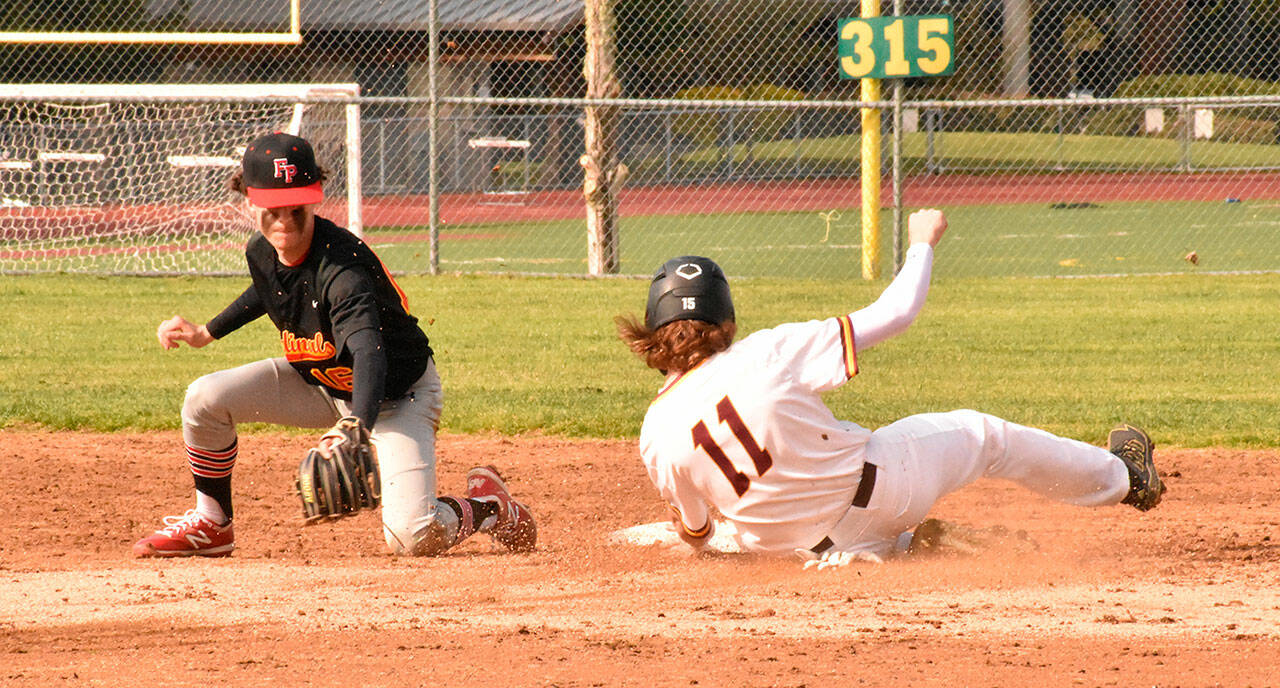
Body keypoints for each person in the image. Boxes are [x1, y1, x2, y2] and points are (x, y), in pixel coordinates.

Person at [616, 208, 1165, 565]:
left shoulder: (655, 434)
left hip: (792, 553)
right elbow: (898, 311)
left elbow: (696, 533)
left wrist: (702, 534)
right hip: (883, 490)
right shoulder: (766, 352)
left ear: (651, 330)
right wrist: (922, 242)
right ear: (726, 319)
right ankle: (1125, 478)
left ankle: (896, 551)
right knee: (987, 437)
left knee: (755, 531)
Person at [132, 132, 535, 558]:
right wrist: (206, 332)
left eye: (295, 207)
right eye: (272, 207)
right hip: (323, 385)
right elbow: (267, 289)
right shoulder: (262, 252)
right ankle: (212, 523)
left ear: (315, 199)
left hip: (397, 398)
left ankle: (490, 507)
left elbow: (368, 351)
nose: (284, 219)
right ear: (251, 202)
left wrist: (354, 425)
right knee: (204, 398)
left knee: (413, 537)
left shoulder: (344, 271)